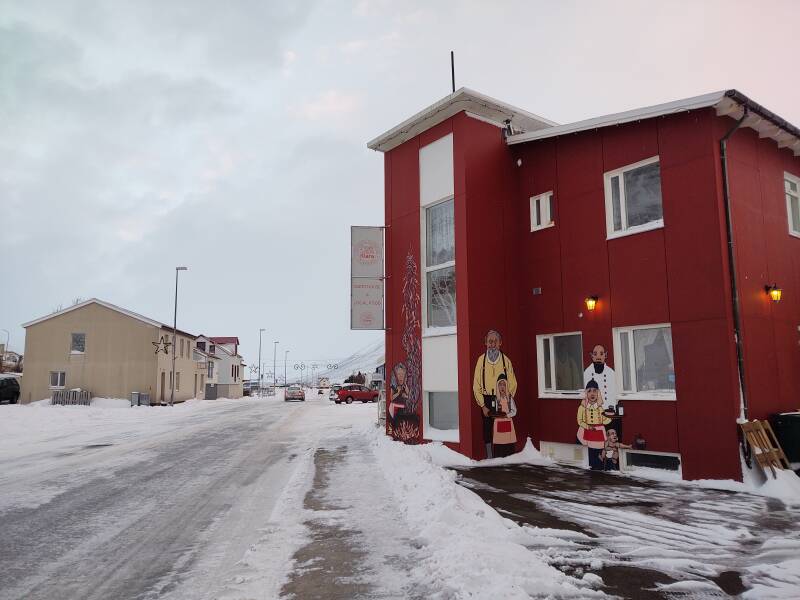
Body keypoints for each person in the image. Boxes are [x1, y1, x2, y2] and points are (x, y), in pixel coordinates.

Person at [472, 329, 517, 459]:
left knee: (502, 428)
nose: (492, 344)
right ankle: (490, 457)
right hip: (486, 399)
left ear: (500, 343)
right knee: (487, 429)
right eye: (490, 342)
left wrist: (507, 401)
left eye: (495, 342)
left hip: (502, 399)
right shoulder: (481, 360)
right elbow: (476, 385)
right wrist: (482, 405)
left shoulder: (505, 361)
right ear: (485, 343)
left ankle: (503, 457)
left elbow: (513, 382)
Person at [577, 380, 612, 470]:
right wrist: (588, 426)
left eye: (594, 391)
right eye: (589, 391)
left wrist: (610, 417)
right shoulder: (582, 407)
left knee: (599, 452)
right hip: (587, 431)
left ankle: (600, 469)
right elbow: (579, 421)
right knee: (590, 452)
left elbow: (605, 421)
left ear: (598, 393)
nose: (592, 393)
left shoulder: (600, 408)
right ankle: (592, 468)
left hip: (599, 432)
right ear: (586, 393)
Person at [492, 373, 517, 457]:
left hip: (507, 422)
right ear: (497, 386)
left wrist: (506, 415)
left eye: (504, 385)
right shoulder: (495, 399)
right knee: (499, 443)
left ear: (506, 386)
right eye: (500, 384)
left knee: (508, 443)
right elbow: (493, 411)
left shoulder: (509, 398)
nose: (502, 387)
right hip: (498, 423)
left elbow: (514, 411)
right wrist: (495, 414)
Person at [388, 362, 409, 429]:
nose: (400, 376)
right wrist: (398, 393)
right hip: (395, 408)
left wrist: (406, 394)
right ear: (396, 375)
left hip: (403, 408)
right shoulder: (394, 386)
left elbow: (409, 397)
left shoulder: (405, 386)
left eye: (402, 374)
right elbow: (391, 398)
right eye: (398, 374)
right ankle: (392, 430)